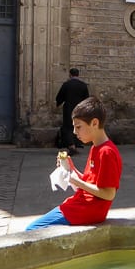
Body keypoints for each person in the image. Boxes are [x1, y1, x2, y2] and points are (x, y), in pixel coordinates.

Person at [26, 97, 123, 230]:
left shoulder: (106, 152)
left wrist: (78, 182)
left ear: (94, 123)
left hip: (87, 210)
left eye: (78, 127)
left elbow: (108, 193)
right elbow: (92, 183)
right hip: (82, 205)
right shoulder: (96, 148)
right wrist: (71, 169)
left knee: (32, 230)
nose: (74, 132)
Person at [56, 68, 89, 154]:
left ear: (70, 75)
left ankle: (71, 145)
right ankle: (77, 143)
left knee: (68, 127)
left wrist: (58, 103)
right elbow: (87, 99)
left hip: (68, 109)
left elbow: (59, 97)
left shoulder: (66, 85)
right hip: (80, 109)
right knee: (78, 126)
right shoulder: (83, 85)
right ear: (78, 75)